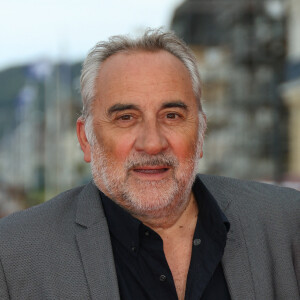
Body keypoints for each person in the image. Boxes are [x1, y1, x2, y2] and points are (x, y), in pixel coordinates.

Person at [0, 29, 299, 300]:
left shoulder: (288, 224)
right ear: (86, 139)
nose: (152, 143)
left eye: (171, 115)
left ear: (201, 133)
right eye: (126, 118)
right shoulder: (15, 253)